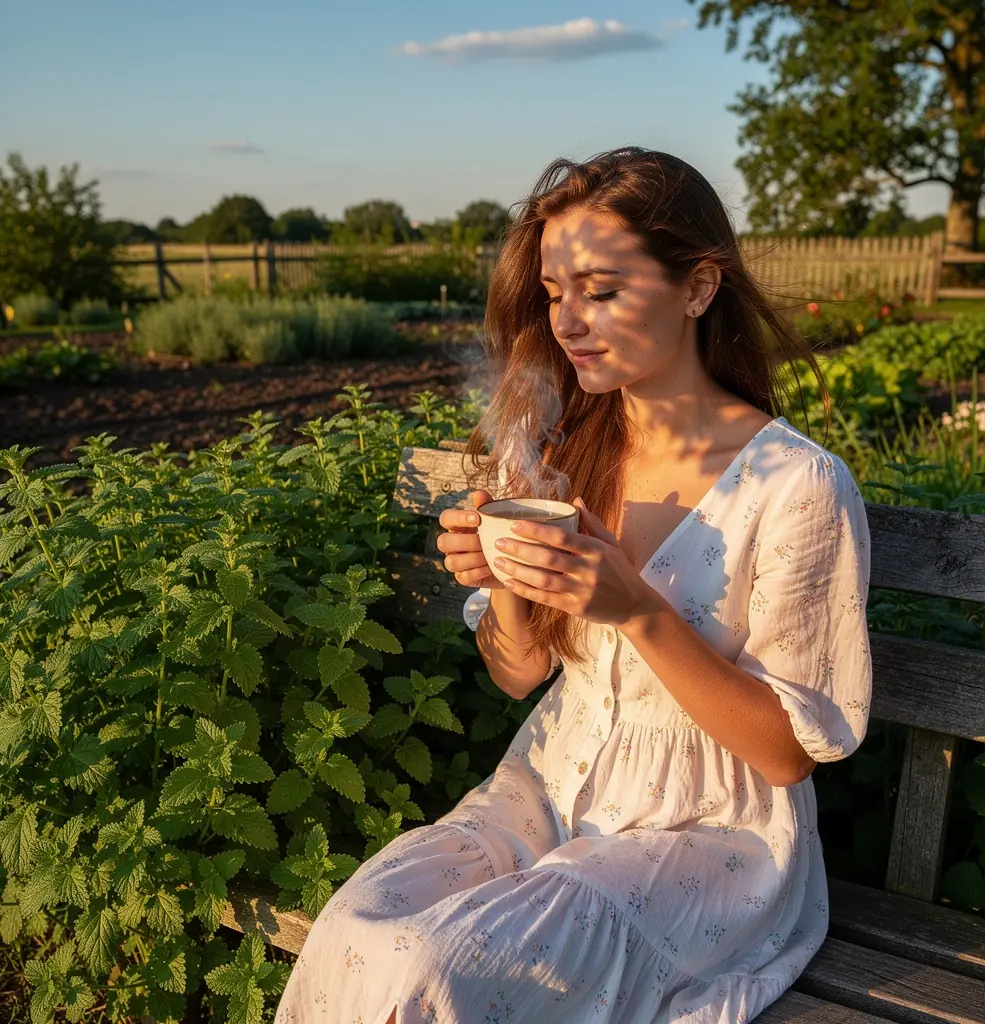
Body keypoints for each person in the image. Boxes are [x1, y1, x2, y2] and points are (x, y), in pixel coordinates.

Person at [273, 147, 872, 1024]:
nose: (567, 322)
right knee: (356, 928)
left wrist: (636, 610)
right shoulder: (563, 451)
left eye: (601, 290)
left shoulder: (796, 485)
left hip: (706, 837)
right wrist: (506, 580)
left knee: (437, 966)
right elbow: (518, 673)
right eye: (555, 293)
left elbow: (785, 754)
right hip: (548, 790)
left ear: (699, 287)